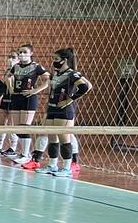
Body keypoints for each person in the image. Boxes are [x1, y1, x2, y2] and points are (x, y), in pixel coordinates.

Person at [44, 48, 91, 178]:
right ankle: (52, 165)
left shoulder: (72, 74)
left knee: (64, 139)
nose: (54, 61)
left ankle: (66, 168)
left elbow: (84, 87)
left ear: (64, 60)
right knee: (52, 138)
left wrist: (69, 100)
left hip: (64, 110)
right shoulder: (55, 73)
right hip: (52, 108)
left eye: (56, 59)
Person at [7, 44, 50, 169]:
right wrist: (10, 88)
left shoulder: (36, 66)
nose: (22, 54)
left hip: (29, 98)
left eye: (25, 52)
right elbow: (7, 77)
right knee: (17, 128)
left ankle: (26, 154)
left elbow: (48, 79)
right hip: (16, 97)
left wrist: (35, 91)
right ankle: (23, 153)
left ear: (31, 53)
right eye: (20, 52)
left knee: (24, 126)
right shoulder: (16, 66)